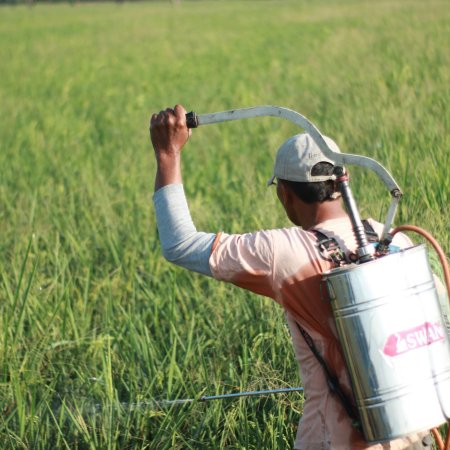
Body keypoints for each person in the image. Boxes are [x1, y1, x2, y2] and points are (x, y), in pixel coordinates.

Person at [150, 104, 432, 449]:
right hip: (418, 433)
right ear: (341, 184)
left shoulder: (283, 251)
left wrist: (168, 154)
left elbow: (179, 244)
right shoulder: (395, 239)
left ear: (284, 192)